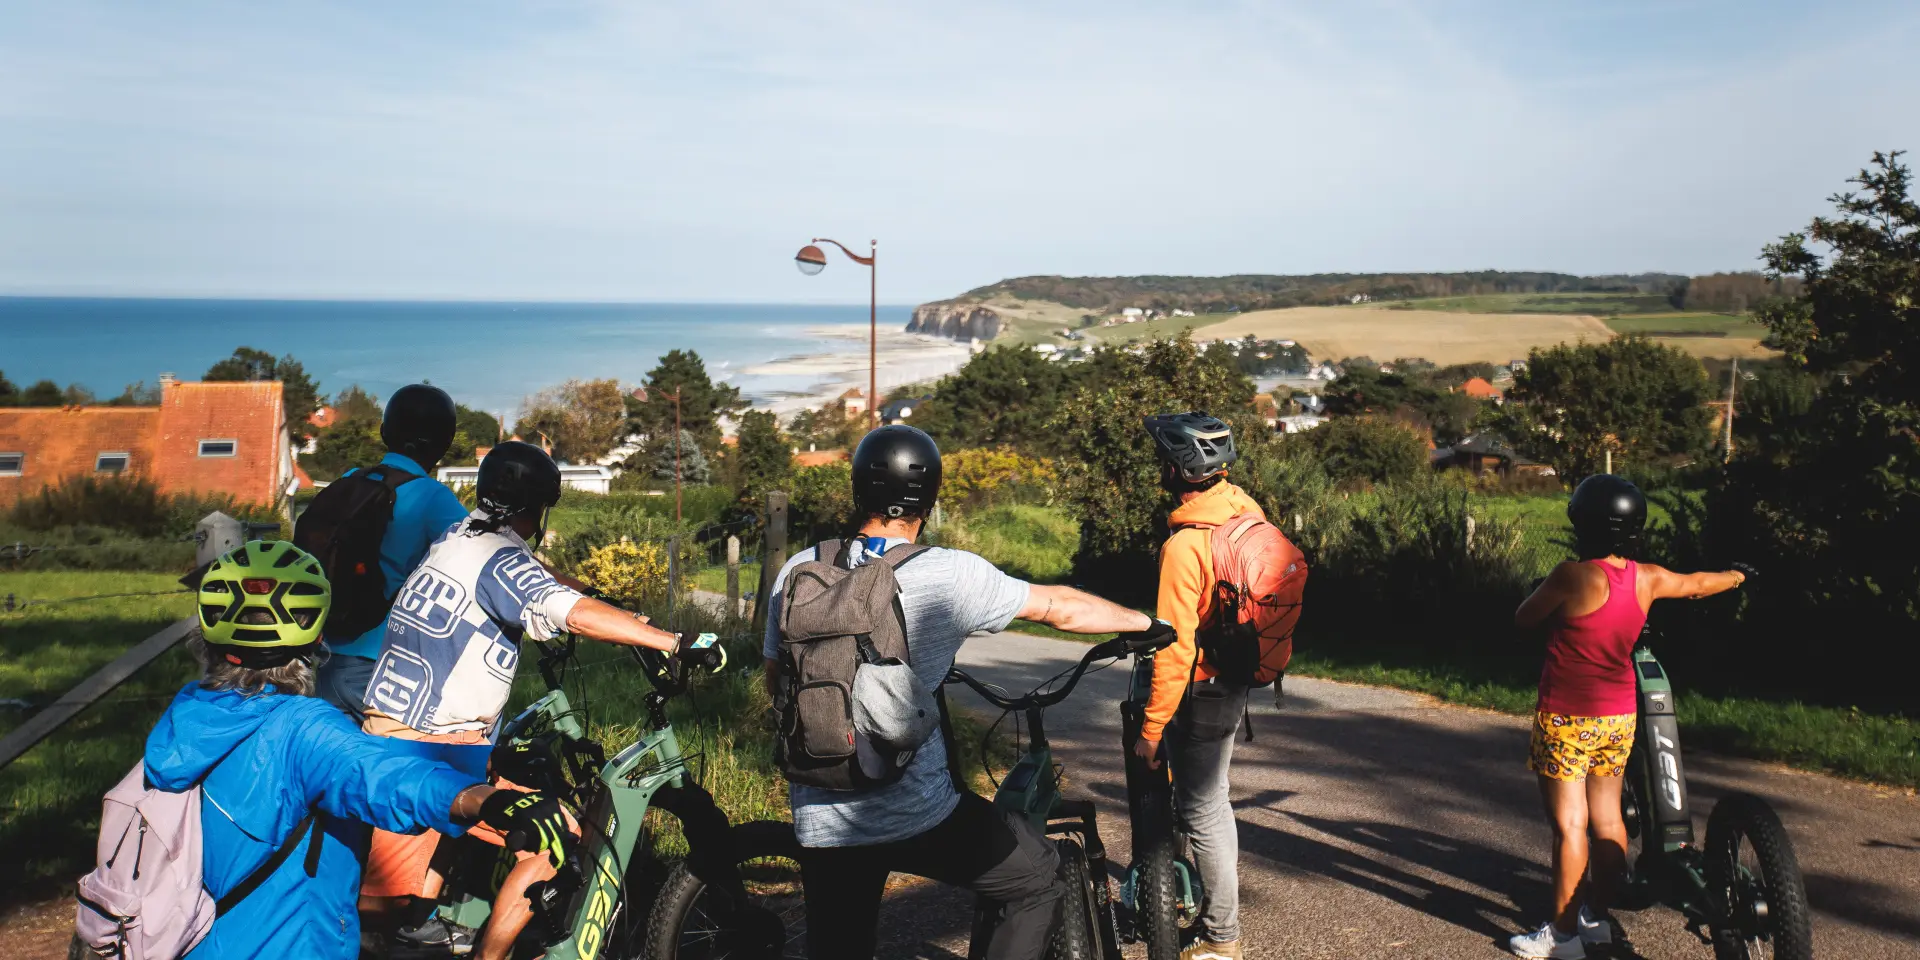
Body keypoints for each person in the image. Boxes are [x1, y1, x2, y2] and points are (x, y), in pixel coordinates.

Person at [762, 425, 1171, 960]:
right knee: (1038, 879)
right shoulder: (949, 573)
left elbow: (776, 680)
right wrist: (1144, 623)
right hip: (917, 811)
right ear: (929, 499)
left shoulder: (799, 569)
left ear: (858, 488)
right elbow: (1058, 607)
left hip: (821, 815)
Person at [134, 540, 568, 960]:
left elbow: (358, 758)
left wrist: (483, 761)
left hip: (195, 943)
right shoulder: (303, 728)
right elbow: (381, 776)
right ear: (317, 635)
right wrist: (487, 801)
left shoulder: (189, 715)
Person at [359, 440, 686, 960]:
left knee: (401, 903)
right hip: (430, 749)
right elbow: (564, 609)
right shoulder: (501, 559)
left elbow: (539, 578)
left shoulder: (459, 536)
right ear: (538, 508)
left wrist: (615, 610)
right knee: (551, 841)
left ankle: (436, 931)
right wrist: (672, 642)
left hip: (403, 730)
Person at [1508, 475, 1746, 960]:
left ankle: (1562, 937)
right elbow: (1697, 585)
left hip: (1567, 718)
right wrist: (1737, 577)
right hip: (1618, 716)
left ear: (1583, 523)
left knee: (1570, 826)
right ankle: (1595, 917)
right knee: (1608, 819)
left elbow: (1523, 618)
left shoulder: (1570, 576)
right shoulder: (1648, 577)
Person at [1134, 412, 1260, 960]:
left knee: (1205, 809)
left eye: (1163, 461)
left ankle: (1221, 938)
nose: (1159, 469)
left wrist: (1151, 729)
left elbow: (1175, 648)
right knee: (1212, 799)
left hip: (1201, 688)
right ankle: (1201, 911)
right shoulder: (1244, 509)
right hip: (1234, 677)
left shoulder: (1186, 547)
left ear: (1177, 469)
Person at [313, 383, 471, 721]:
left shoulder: (351, 479)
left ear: (385, 432)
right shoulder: (432, 497)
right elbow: (490, 556)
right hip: (382, 667)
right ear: (445, 443)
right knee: (413, 752)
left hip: (324, 657)